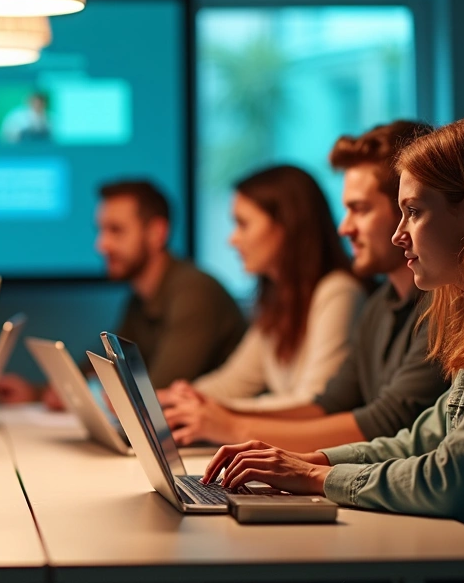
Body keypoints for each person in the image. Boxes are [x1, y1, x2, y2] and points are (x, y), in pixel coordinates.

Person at [206, 116, 464, 583]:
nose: (399, 235)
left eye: (413, 211)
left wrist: (317, 478)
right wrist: (314, 460)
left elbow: (458, 481)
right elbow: (422, 439)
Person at [161, 122, 448, 450]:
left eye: (360, 209)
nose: (344, 228)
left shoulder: (441, 303)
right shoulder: (381, 303)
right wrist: (204, 410)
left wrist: (233, 426)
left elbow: (385, 422)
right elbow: (327, 405)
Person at [0, 179, 246, 404]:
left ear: (157, 233)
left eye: (116, 230)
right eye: (101, 230)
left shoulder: (194, 293)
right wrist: (38, 392)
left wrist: (88, 396)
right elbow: (103, 365)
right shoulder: (141, 298)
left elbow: (157, 395)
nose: (101, 245)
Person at [165, 166, 367, 413]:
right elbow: (234, 381)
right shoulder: (277, 299)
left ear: (286, 225)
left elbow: (314, 400)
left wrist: (211, 410)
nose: (232, 239)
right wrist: (177, 398)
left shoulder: (338, 292)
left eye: (243, 224)